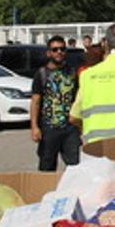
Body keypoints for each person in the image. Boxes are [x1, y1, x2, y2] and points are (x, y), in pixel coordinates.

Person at [29, 35, 80, 171]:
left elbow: (78, 99)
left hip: (70, 128)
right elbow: (36, 101)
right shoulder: (41, 74)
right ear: (48, 52)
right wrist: (34, 127)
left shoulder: (72, 72)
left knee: (75, 167)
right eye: (55, 49)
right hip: (48, 128)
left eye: (62, 49)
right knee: (47, 167)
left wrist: (80, 124)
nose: (59, 52)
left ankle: (74, 192)